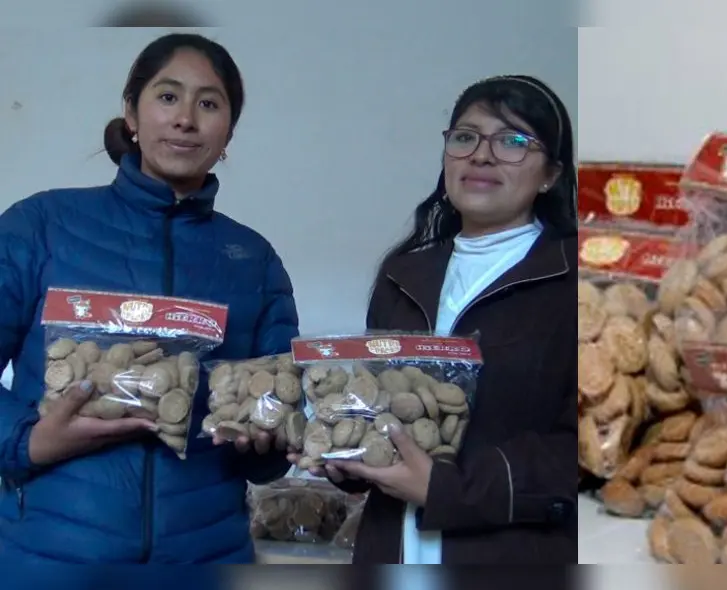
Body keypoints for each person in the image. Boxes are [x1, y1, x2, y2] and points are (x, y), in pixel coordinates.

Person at [0, 33, 298, 565]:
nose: (185, 119)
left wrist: (268, 439)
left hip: (206, 557)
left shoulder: (253, 260)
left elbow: (271, 441)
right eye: (167, 96)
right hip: (49, 559)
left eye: (209, 104)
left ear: (228, 131)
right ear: (131, 113)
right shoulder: (40, 226)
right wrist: (30, 441)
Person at [291, 74, 578, 564]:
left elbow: (587, 452)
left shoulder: (575, 283)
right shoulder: (403, 275)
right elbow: (377, 412)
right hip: (390, 548)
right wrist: (345, 459)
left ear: (550, 174)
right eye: (465, 137)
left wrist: (449, 488)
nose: (481, 155)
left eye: (512, 142)